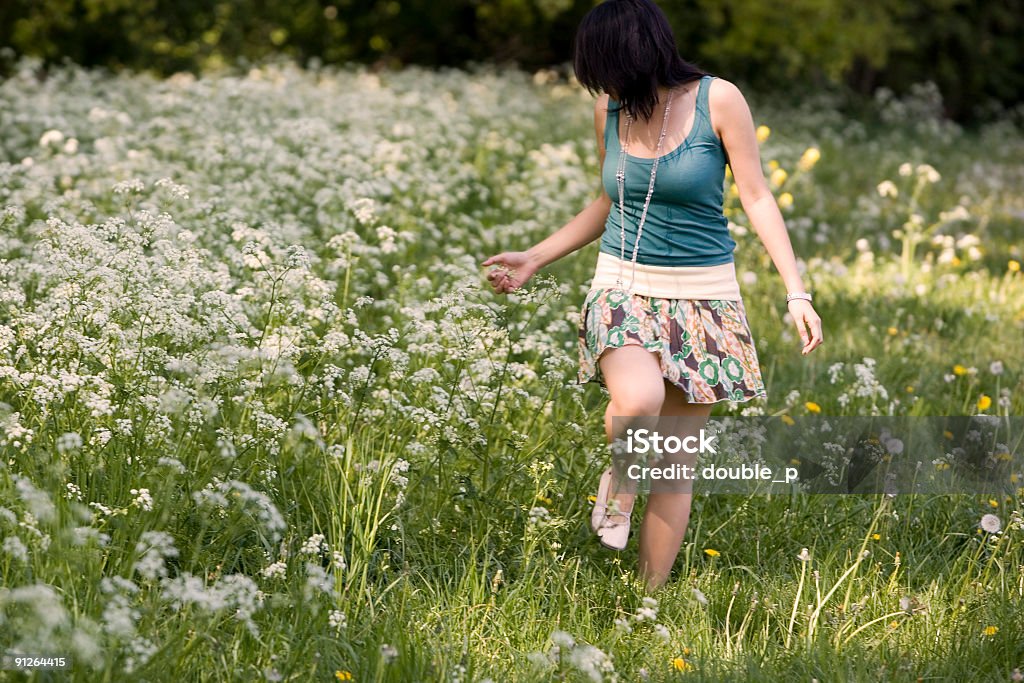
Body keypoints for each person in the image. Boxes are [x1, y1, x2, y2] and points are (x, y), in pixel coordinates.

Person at [481, 0, 823, 591]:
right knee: (637, 401)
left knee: (673, 465)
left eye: (609, 68)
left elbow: (757, 197)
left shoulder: (719, 100)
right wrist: (535, 256)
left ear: (638, 55)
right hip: (623, 284)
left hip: (706, 297)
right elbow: (610, 199)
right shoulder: (608, 109)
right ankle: (618, 484)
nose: (604, 85)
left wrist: (797, 293)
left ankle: (647, 602)